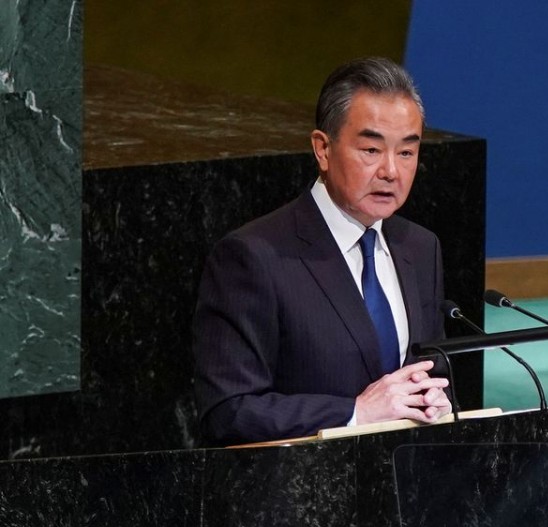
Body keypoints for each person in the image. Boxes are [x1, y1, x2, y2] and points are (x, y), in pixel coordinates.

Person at [192, 57, 452, 446]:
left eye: (406, 153)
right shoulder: (254, 257)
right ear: (323, 149)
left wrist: (435, 401)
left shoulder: (420, 247)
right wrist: (354, 414)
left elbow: (430, 370)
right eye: (370, 149)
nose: (391, 172)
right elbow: (229, 411)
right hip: (300, 493)